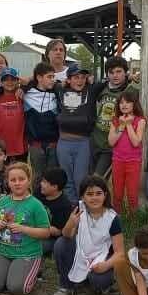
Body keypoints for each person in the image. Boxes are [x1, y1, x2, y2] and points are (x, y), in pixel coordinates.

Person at [0, 162, 52, 295]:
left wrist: (24, 229)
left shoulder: (36, 205)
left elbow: (46, 232)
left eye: (21, 179)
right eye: (13, 180)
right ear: (7, 182)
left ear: (29, 180)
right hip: (2, 251)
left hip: (27, 253)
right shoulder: (2, 202)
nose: (17, 183)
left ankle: (33, 271)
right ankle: (11, 273)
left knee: (17, 289)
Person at [51, 176, 124, 295]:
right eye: (89, 194)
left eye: (98, 193)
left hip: (102, 258)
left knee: (98, 282)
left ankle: (99, 282)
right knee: (61, 244)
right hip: (82, 254)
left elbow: (120, 253)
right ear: (82, 197)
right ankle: (66, 286)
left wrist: (106, 265)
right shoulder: (79, 210)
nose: (94, 197)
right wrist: (71, 222)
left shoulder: (112, 217)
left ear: (105, 195)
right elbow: (66, 235)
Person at [56, 63, 97, 202]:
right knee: (66, 180)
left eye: (82, 77)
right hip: (63, 143)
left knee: (81, 180)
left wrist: (129, 76)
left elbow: (111, 83)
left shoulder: (90, 91)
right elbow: (39, 81)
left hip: (82, 143)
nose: (80, 81)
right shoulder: (60, 90)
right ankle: (71, 211)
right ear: (68, 79)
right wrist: (24, 87)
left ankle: (83, 209)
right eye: (76, 77)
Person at [91, 55, 136, 177]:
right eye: (111, 72)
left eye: (118, 72)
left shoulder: (130, 91)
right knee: (87, 177)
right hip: (95, 139)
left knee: (97, 178)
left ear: (125, 73)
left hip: (111, 143)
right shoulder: (101, 88)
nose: (115, 75)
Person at [108, 89, 146, 214]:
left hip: (133, 162)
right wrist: (122, 125)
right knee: (117, 193)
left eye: (127, 102)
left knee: (132, 193)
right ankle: (117, 218)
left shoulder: (140, 120)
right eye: (121, 102)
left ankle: (133, 220)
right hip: (118, 161)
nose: (123, 105)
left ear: (134, 104)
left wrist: (129, 124)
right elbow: (111, 142)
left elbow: (136, 142)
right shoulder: (115, 120)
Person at [24, 62, 61, 177]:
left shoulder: (57, 93)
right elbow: (7, 86)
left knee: (53, 178)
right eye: (49, 77)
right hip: (36, 146)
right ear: (39, 77)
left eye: (53, 77)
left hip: (54, 145)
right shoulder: (26, 94)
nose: (52, 80)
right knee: (37, 179)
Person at [0, 68, 27, 161]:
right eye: (6, 79)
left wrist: (24, 88)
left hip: (20, 146)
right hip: (0, 148)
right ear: (1, 82)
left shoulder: (23, 96)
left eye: (12, 79)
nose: (9, 82)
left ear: (17, 81)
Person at [35, 167, 73, 257]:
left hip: (50, 239)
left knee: (33, 247)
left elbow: (58, 232)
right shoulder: (39, 193)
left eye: (44, 182)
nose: (41, 184)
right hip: (32, 231)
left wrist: (38, 225)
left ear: (55, 187)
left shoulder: (64, 205)